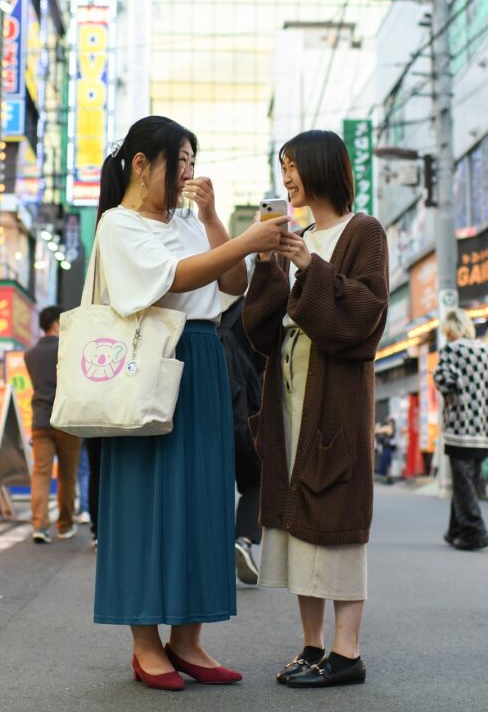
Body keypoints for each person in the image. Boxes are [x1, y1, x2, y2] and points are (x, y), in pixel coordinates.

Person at [91, 115, 287, 692]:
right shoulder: (116, 225)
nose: (187, 174)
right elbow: (170, 279)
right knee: (146, 501)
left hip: (200, 358)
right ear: (141, 164)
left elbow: (230, 286)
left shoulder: (185, 220)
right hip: (146, 359)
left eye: (192, 164)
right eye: (178, 162)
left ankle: (189, 639)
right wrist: (251, 240)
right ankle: (146, 643)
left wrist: (212, 218)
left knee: (204, 499)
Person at [243, 129, 389, 689]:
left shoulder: (363, 231)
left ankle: (346, 653)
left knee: (339, 517)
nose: (286, 178)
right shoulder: (298, 234)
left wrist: (310, 266)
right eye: (282, 167)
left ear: (324, 167)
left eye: (294, 166)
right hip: (289, 392)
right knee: (299, 519)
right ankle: (310, 646)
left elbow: (366, 318)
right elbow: (261, 329)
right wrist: (268, 265)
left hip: (335, 397)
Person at [433, 309, 488, 551]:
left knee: (463, 483)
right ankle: (455, 530)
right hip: (484, 428)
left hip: (460, 427)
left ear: (451, 329)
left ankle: (475, 532)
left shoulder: (452, 350)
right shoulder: (485, 350)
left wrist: (457, 389)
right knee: (467, 483)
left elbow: (443, 379)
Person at [24, 306, 83, 544]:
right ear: (57, 325)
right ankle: (65, 525)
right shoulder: (68, 349)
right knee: (67, 475)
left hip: (40, 420)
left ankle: (39, 525)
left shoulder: (30, 355)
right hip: (66, 419)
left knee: (41, 474)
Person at [217, 295, 265, 585]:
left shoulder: (198, 305)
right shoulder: (251, 310)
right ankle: (243, 539)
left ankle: (208, 550)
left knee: (212, 484)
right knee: (258, 479)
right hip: (245, 411)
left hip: (204, 413)